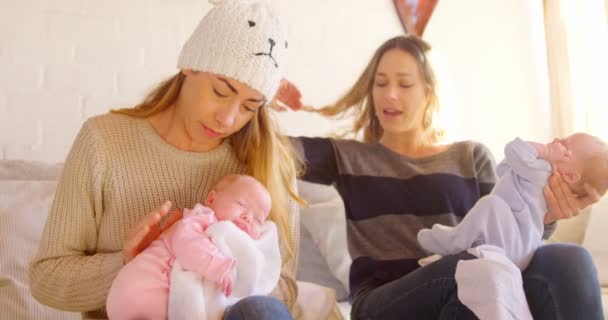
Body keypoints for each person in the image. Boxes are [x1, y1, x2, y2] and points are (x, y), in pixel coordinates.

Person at [274, 35, 604, 319]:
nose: (390, 94)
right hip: (385, 300)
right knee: (475, 271)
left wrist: (548, 214)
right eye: (380, 83)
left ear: (429, 92)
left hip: (472, 283)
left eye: (404, 84)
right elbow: (265, 149)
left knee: (568, 258)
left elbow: (512, 225)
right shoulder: (345, 156)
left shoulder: (471, 156)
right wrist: (260, 86)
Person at [29, 1, 302, 319]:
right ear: (190, 65)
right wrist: (129, 261)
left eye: (249, 106)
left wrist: (214, 282)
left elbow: (285, 288)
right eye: (220, 92)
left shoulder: (269, 165)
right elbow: (47, 279)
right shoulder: (103, 142)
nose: (228, 119)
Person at [416, 134, 608, 319]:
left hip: (505, 248)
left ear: (571, 175)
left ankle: (453, 242)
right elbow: (506, 169)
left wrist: (544, 152)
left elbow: (513, 150)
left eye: (566, 146)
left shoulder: (540, 170)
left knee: (572, 258)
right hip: (503, 252)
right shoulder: (537, 171)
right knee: (490, 211)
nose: (557, 140)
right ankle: (456, 243)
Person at [107, 174, 282, 320]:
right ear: (211, 199)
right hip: (141, 293)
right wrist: (220, 267)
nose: (248, 217)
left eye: (258, 219)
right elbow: (188, 245)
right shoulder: (200, 220)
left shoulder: (242, 246)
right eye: (241, 205)